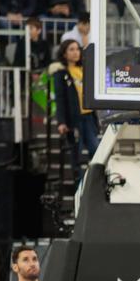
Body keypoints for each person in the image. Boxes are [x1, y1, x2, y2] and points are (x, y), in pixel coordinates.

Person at [52, 39, 98, 177]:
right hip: (74, 118)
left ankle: (95, 179)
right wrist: (61, 121)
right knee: (77, 154)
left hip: (89, 116)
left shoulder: (86, 69)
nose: (75, 52)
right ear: (64, 53)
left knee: (95, 149)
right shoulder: (61, 73)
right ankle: (78, 183)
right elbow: (59, 99)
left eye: (77, 49)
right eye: (71, 49)